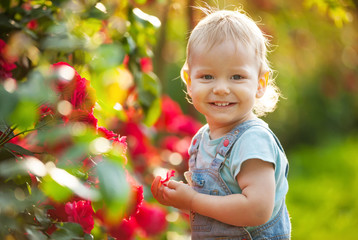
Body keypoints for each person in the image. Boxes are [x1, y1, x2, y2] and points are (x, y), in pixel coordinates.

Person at [151, 7, 291, 239]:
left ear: (260, 82)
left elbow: (256, 210)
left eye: (237, 77)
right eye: (207, 76)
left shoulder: (253, 141)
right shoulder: (202, 139)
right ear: (189, 81)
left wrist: (193, 199)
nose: (221, 88)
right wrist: (180, 198)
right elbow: (215, 210)